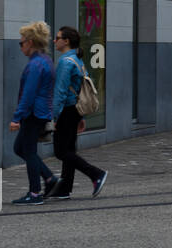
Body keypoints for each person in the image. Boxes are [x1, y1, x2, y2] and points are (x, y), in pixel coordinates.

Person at [50, 26, 108, 199]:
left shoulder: (65, 62)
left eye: (58, 37)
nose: (55, 40)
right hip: (74, 110)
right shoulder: (77, 60)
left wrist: (53, 117)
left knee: (61, 151)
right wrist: (80, 116)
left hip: (66, 111)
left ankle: (96, 174)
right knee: (69, 149)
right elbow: (79, 89)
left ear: (66, 41)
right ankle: (65, 188)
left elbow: (60, 92)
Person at [10, 21, 58, 205]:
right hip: (40, 112)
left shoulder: (35, 65)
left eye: (21, 42)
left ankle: (35, 193)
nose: (21, 46)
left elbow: (28, 95)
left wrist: (17, 118)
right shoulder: (45, 60)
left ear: (30, 42)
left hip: (33, 113)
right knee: (19, 148)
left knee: (28, 151)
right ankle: (49, 179)